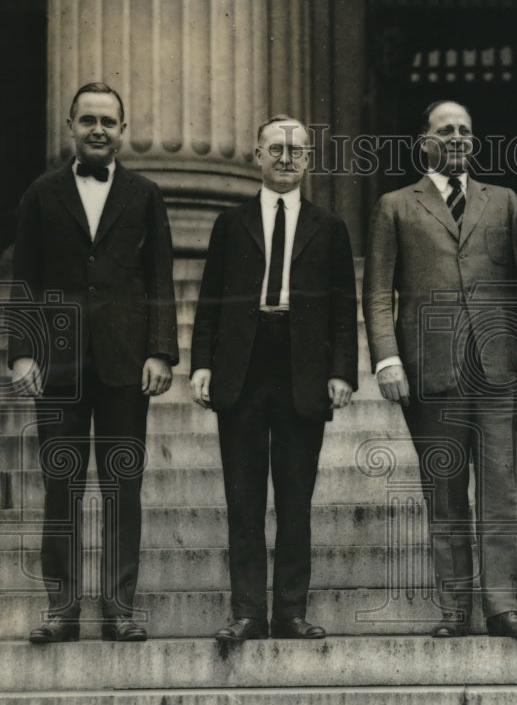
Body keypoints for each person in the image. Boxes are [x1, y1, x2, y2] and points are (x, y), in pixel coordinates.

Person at [362, 100, 517, 639]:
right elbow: (377, 291)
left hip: (495, 370)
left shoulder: (504, 201)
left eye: (466, 130)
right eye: (447, 130)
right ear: (425, 142)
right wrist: (386, 357)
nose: (459, 138)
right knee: (444, 490)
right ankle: (454, 608)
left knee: (500, 485)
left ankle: (502, 606)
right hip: (429, 371)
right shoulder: (396, 205)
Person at [9, 82, 179, 643]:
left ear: (123, 130)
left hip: (125, 361)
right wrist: (21, 352)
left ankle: (119, 607)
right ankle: (62, 609)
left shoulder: (146, 194)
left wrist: (160, 350)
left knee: (122, 485)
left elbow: (159, 278)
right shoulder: (40, 193)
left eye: (108, 121)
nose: (99, 130)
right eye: (88, 120)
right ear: (71, 127)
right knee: (61, 484)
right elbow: (26, 277)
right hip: (56, 360)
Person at [189, 115, 357, 642]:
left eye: (297, 151)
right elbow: (210, 300)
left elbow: (342, 308)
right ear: (257, 156)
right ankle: (246, 613)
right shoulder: (229, 223)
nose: (286, 158)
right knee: (243, 499)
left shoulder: (328, 227)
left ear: (308, 160)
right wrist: (201, 363)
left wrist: (342, 372)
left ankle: (289, 613)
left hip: (302, 368)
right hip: (243, 364)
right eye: (276, 149)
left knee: (294, 498)